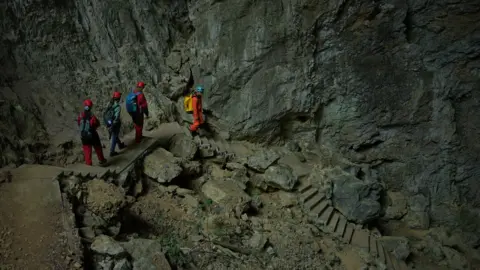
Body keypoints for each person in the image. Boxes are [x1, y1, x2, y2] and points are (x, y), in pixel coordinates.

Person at [77, 99, 107, 166]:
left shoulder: (80, 115)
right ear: (90, 107)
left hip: (84, 136)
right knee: (98, 147)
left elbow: (79, 123)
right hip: (92, 135)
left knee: (87, 150)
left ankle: (88, 164)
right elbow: (97, 124)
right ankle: (101, 160)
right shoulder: (92, 116)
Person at [105, 90, 126, 157]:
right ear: (119, 98)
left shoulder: (109, 103)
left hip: (108, 122)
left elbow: (106, 113)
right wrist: (114, 124)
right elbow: (116, 117)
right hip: (115, 123)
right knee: (114, 136)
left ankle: (120, 145)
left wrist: (109, 123)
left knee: (115, 134)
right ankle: (112, 151)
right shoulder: (118, 107)